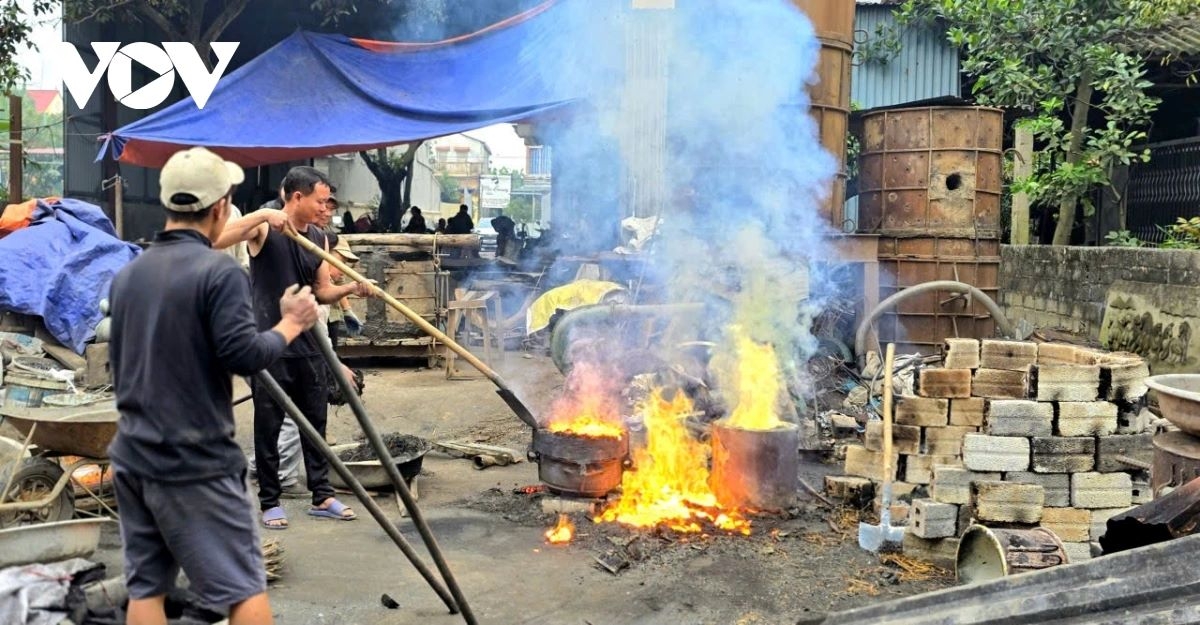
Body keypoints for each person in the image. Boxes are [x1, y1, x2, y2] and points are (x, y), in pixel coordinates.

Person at [107, 147, 319, 625]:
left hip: (134, 456)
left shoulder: (128, 274)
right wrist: (290, 324)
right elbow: (245, 356)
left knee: (148, 588)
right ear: (222, 206)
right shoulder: (218, 272)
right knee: (244, 588)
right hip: (195, 461)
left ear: (167, 203)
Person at [227, 165, 372, 529]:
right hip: (271, 344)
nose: (327, 208)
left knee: (315, 424)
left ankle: (322, 495)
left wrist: (352, 289)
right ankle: (270, 500)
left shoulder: (320, 238)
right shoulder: (263, 230)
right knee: (269, 425)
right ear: (296, 197)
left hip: (311, 345)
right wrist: (261, 214)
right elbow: (215, 238)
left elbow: (321, 290)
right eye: (321, 201)